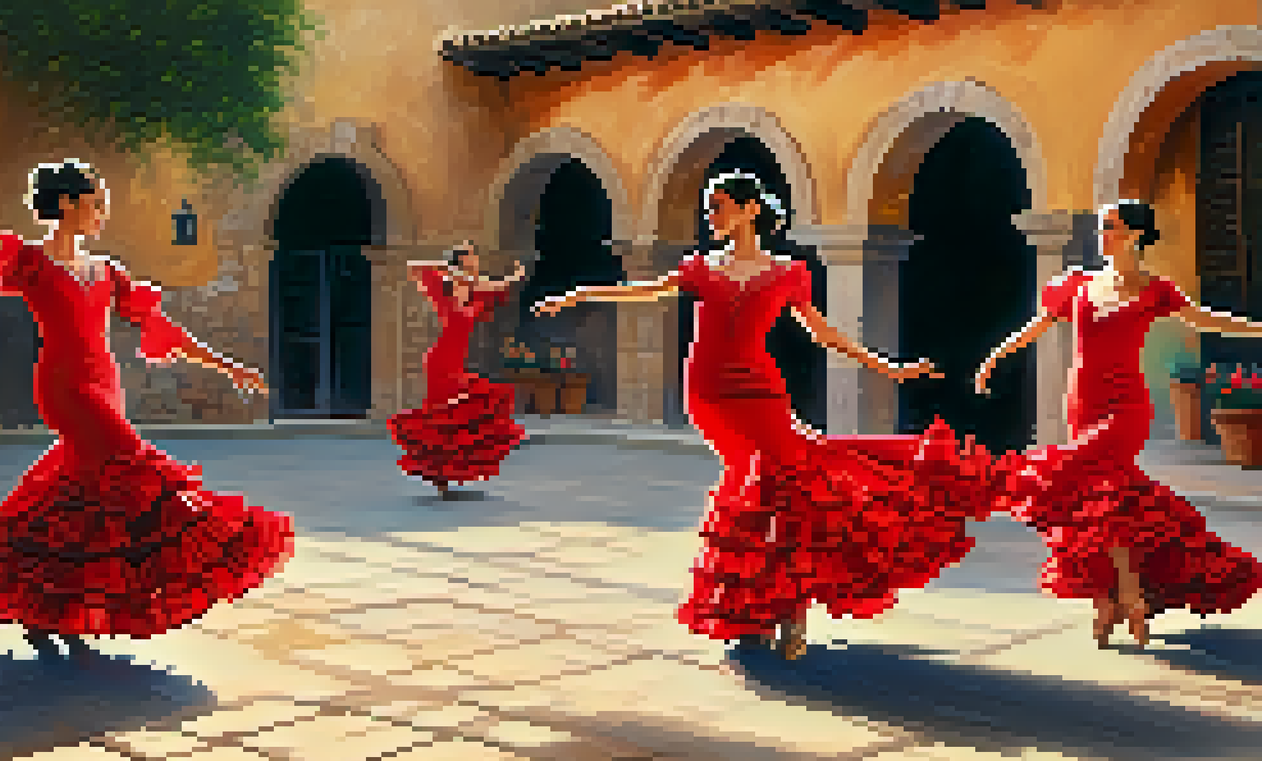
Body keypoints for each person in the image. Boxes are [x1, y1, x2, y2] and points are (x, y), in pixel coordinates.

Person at [534, 171, 995, 659]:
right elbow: (645, 290)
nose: (712, 216)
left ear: (750, 209)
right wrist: (580, 295)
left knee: (782, 482)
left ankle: (781, 606)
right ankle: (761, 606)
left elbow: (823, 333)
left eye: (720, 206)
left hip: (761, 390)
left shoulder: (786, 273)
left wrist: (887, 367)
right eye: (710, 208)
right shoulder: (701, 268)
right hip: (710, 392)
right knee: (756, 484)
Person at [0, 160, 293, 659]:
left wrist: (228, 365)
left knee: (80, 494)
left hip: (106, 384)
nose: (102, 214)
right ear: (66, 204)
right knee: (137, 468)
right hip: (66, 387)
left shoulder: (107, 272)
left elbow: (164, 330)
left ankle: (49, 603)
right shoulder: (29, 260)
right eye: (96, 203)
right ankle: (139, 575)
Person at [976, 199, 1262, 648]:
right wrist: (995, 357)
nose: (1102, 233)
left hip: (1127, 406)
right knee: (1101, 501)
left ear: (1134, 234)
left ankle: (1125, 595)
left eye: (1110, 226)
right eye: (1102, 226)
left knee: (1101, 490)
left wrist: (1259, 329)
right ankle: (1111, 597)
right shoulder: (1077, 285)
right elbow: (1038, 326)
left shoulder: (1157, 290)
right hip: (1083, 401)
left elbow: (1205, 320)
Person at [390, 242, 528, 498]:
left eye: (475, 256)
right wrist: (451, 271)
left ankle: (454, 472)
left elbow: (500, 285)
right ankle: (439, 476)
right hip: (440, 361)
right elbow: (414, 266)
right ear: (460, 261)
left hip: (455, 361)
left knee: (474, 407)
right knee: (441, 417)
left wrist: (516, 275)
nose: (475, 259)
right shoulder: (445, 287)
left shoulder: (476, 288)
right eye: (470, 256)